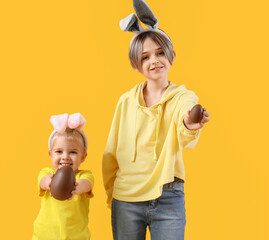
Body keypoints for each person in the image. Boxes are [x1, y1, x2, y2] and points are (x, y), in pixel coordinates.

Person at [102, 1, 210, 239]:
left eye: (160, 53)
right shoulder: (126, 101)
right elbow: (111, 153)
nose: (154, 61)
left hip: (167, 194)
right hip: (126, 199)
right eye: (145, 57)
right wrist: (111, 194)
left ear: (172, 55)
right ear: (136, 65)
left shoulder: (183, 96)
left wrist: (190, 123)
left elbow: (186, 116)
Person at [33, 113, 94, 240]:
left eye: (73, 152)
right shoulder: (46, 173)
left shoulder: (84, 175)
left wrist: (77, 187)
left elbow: (87, 184)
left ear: (83, 156)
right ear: (50, 154)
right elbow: (42, 182)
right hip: (45, 236)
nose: (65, 156)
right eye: (59, 151)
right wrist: (49, 182)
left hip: (76, 237)